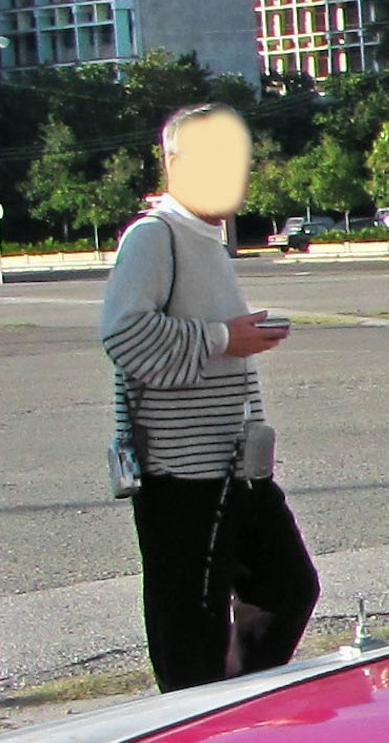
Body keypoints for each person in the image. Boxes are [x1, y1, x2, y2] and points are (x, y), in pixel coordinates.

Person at [104, 103, 320, 690]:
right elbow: (124, 335)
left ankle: (234, 696)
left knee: (288, 587)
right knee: (191, 629)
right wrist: (226, 337)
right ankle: (199, 728)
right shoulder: (154, 238)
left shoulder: (205, 240)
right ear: (175, 163)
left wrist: (233, 339)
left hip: (234, 469)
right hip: (183, 476)